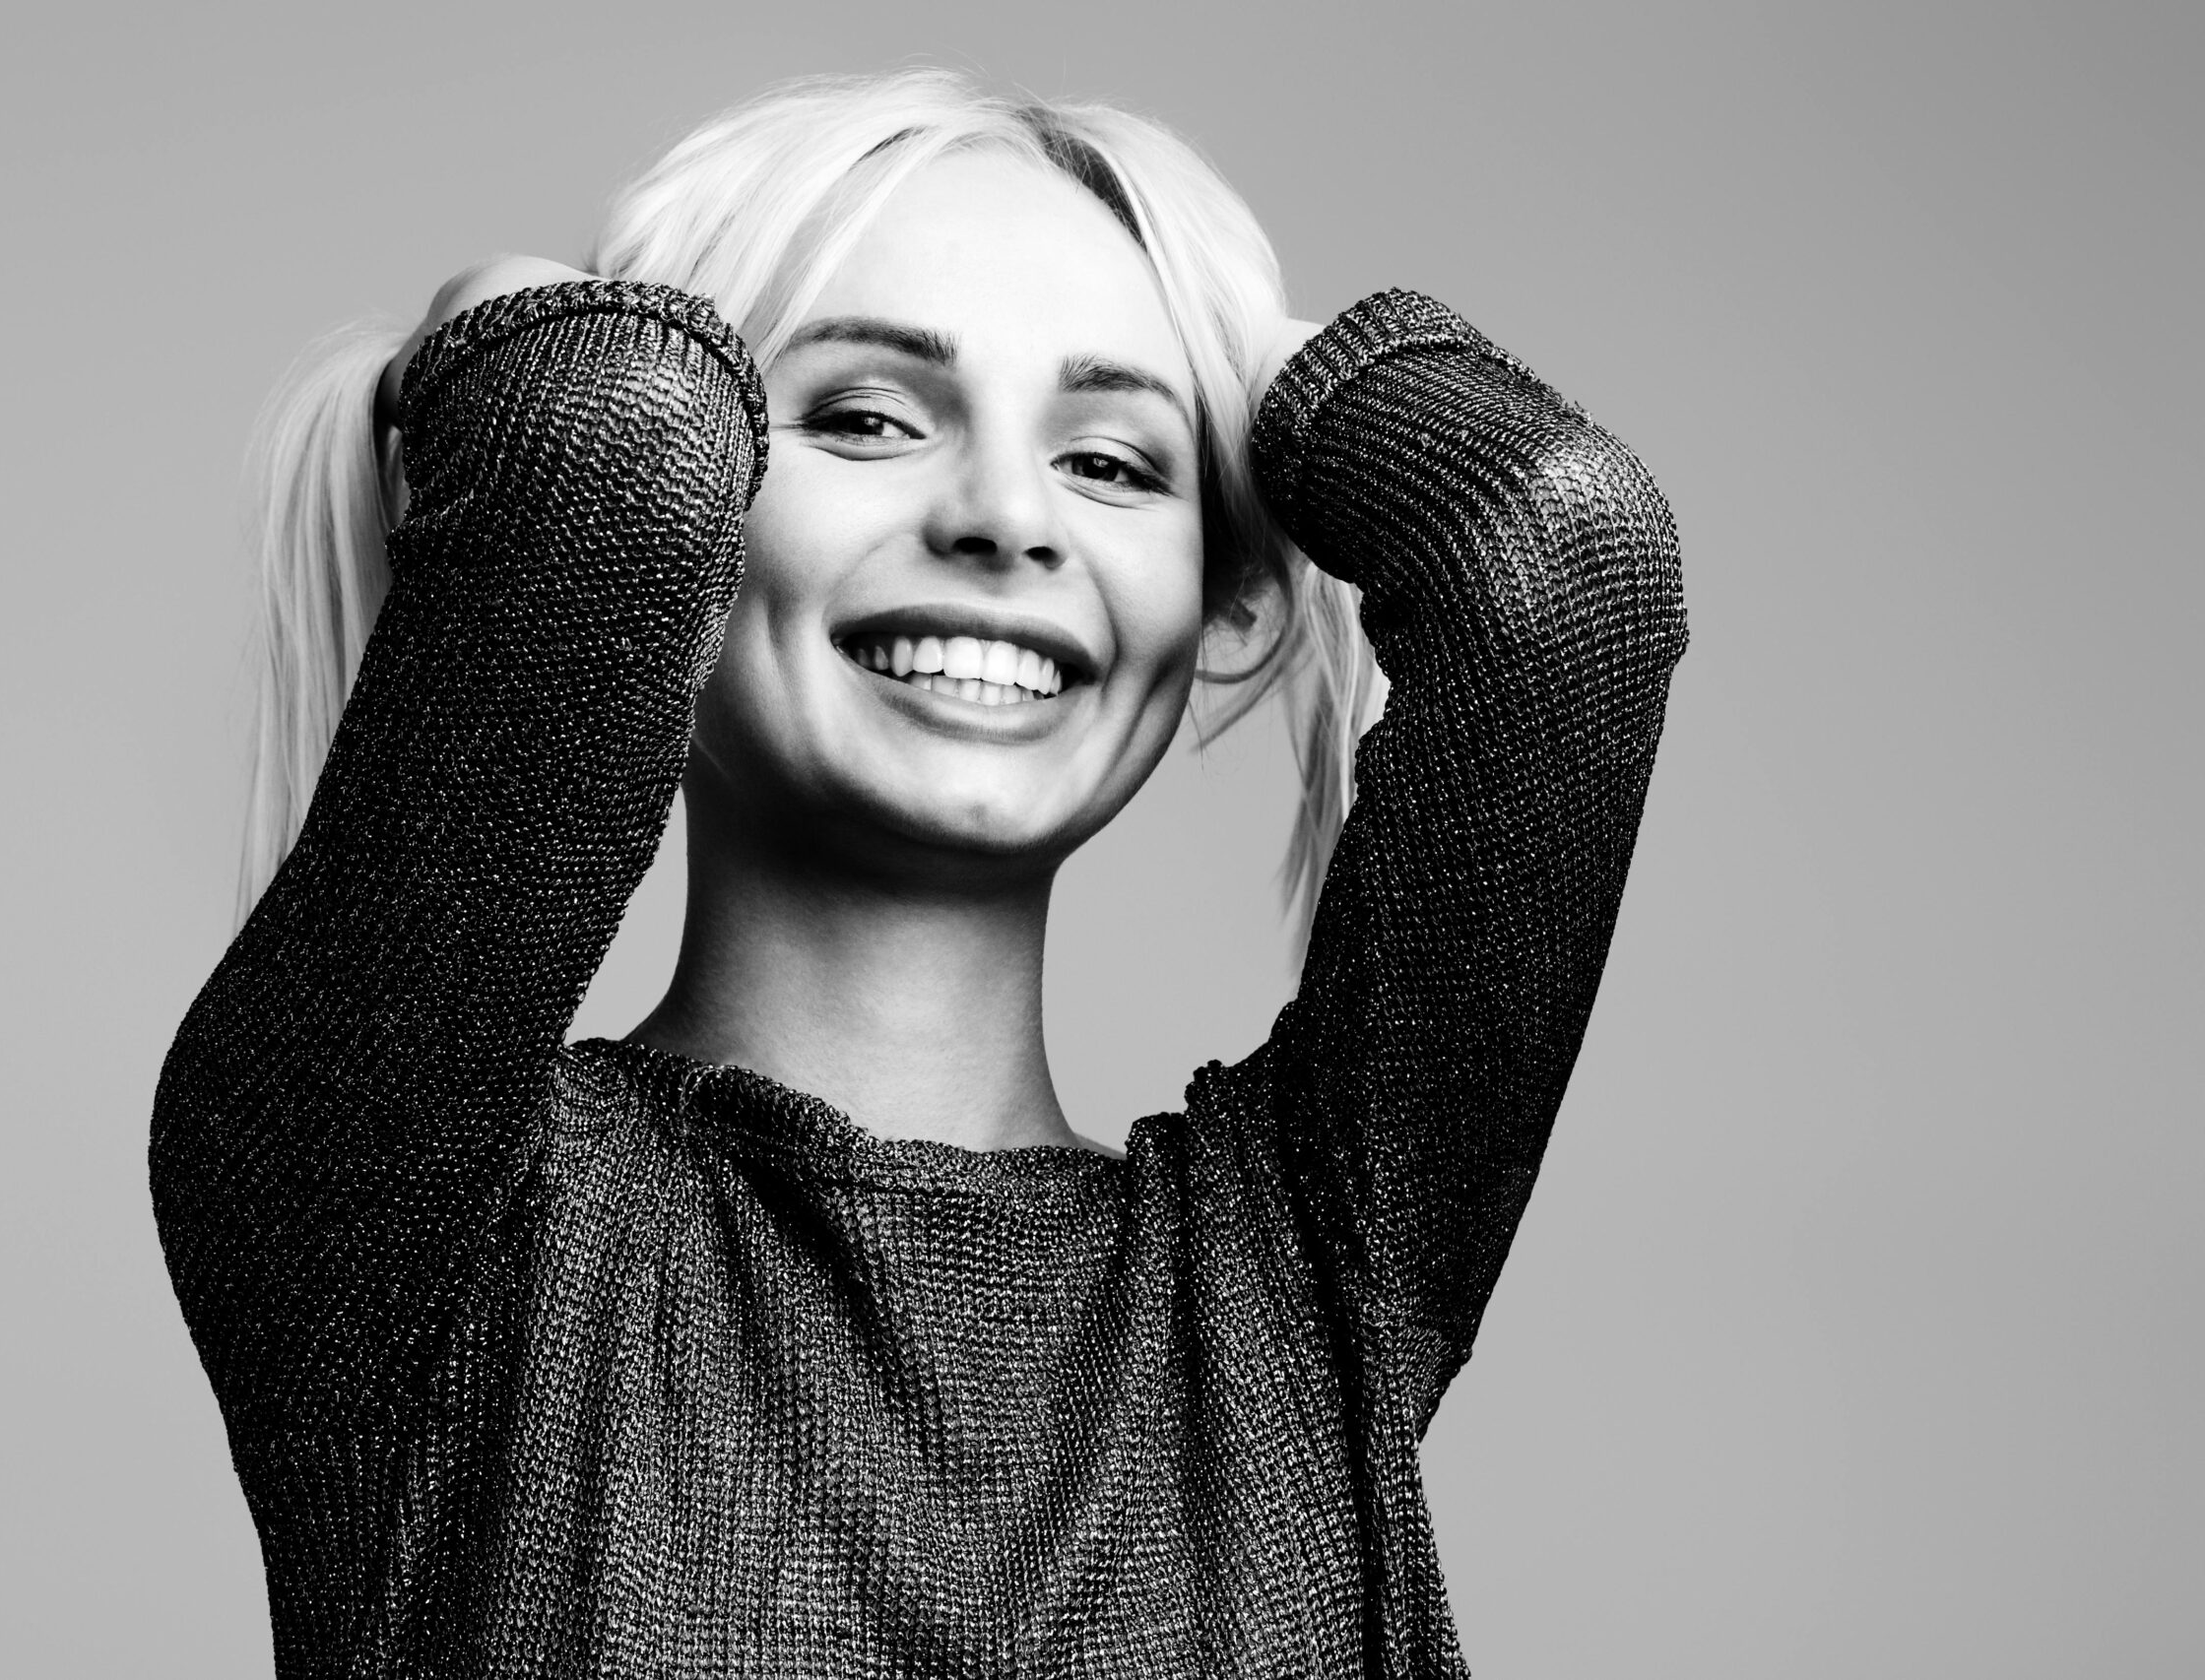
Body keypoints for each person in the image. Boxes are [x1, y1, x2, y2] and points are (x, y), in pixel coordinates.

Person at [152, 67, 1687, 1679]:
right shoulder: (395, 1214)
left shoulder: (1307, 1272)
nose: (1007, 518)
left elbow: (1557, 554)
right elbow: (602, 439)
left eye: (1112, 463)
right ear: (702, 520)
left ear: (1226, 590)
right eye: (868, 420)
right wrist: (502, 320)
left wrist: (1250, 365)